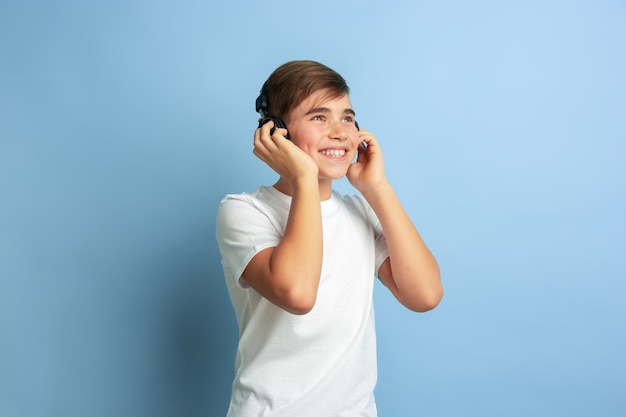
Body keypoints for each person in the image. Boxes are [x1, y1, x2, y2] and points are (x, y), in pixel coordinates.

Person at [215, 60, 443, 417]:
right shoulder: (243, 212)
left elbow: (425, 295)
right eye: (319, 117)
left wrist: (377, 188)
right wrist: (304, 178)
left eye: (348, 118)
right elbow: (299, 293)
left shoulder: (359, 212)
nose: (340, 131)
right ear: (278, 133)